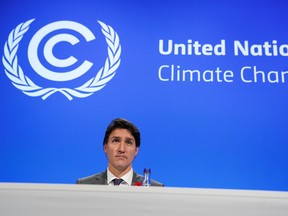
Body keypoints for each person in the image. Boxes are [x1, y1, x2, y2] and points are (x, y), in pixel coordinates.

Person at [76, 118, 164, 186]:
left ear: (136, 150)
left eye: (128, 142)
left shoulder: (155, 189)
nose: (121, 149)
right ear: (105, 148)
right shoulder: (84, 185)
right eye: (116, 141)